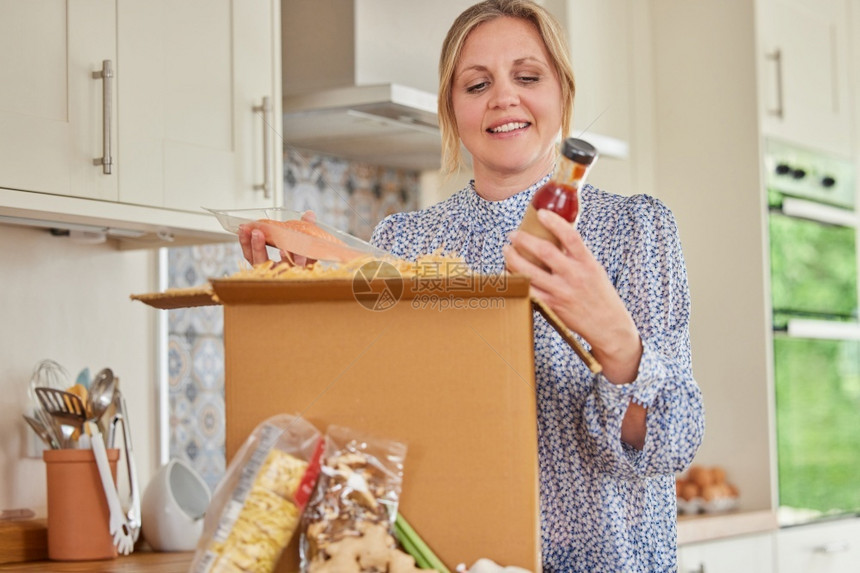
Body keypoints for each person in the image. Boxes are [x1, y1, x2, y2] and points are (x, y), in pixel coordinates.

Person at [241, 1, 704, 571]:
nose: (503, 97)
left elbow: (669, 447)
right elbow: (373, 412)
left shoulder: (635, 229)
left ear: (562, 92)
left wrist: (617, 343)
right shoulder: (405, 239)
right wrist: (310, 302)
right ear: (452, 110)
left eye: (528, 77)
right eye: (476, 84)